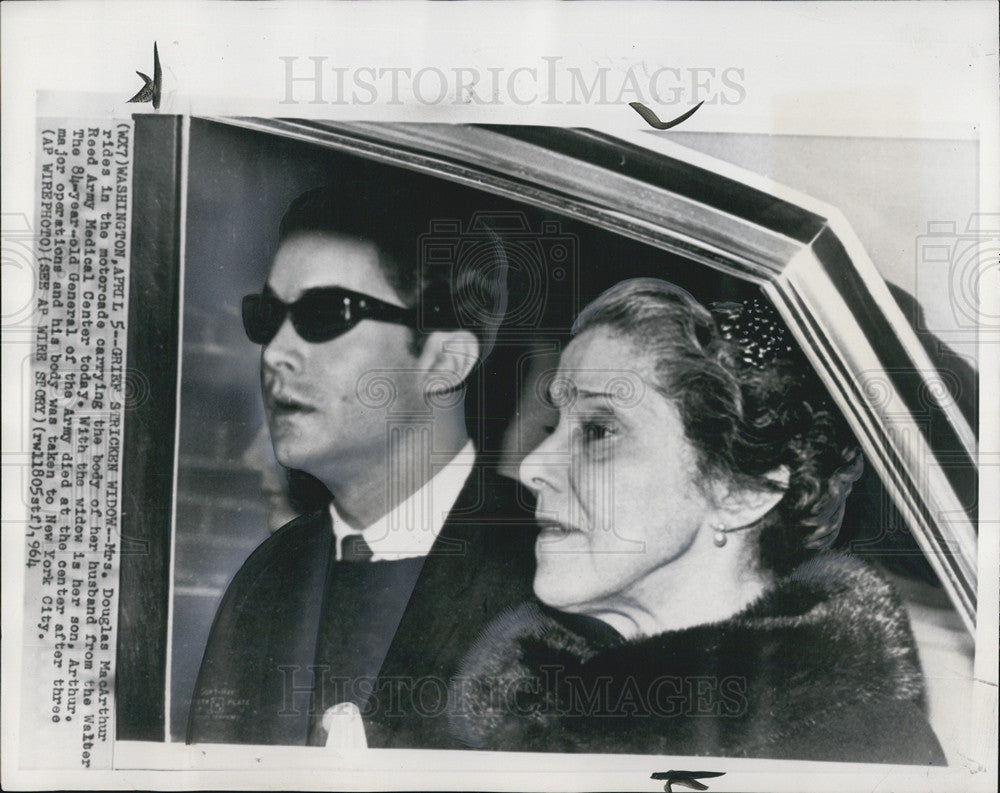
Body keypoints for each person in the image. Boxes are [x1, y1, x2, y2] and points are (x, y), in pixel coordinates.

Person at [448, 278, 946, 765]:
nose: (534, 466)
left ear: (741, 494)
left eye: (599, 431)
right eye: (555, 427)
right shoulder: (523, 713)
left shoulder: (860, 754)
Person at [188, 183, 537, 749]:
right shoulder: (265, 578)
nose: (275, 353)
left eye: (325, 315)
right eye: (267, 316)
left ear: (446, 359)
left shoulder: (554, 569)